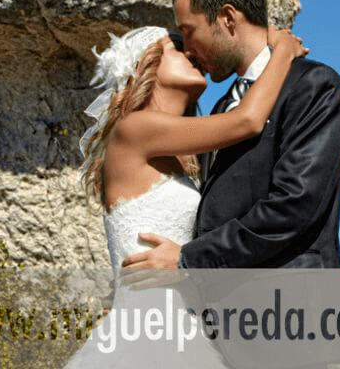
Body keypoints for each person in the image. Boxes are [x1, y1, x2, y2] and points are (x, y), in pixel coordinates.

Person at [62, 21, 307, 368]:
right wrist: (283, 51)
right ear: (146, 64)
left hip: (183, 325)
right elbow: (248, 121)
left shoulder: (183, 158)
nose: (192, 53)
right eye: (176, 48)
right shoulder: (135, 127)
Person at [121, 0, 340, 271]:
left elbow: (295, 204)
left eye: (189, 32)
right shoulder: (222, 109)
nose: (187, 49)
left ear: (227, 18)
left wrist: (189, 260)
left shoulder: (313, 85)